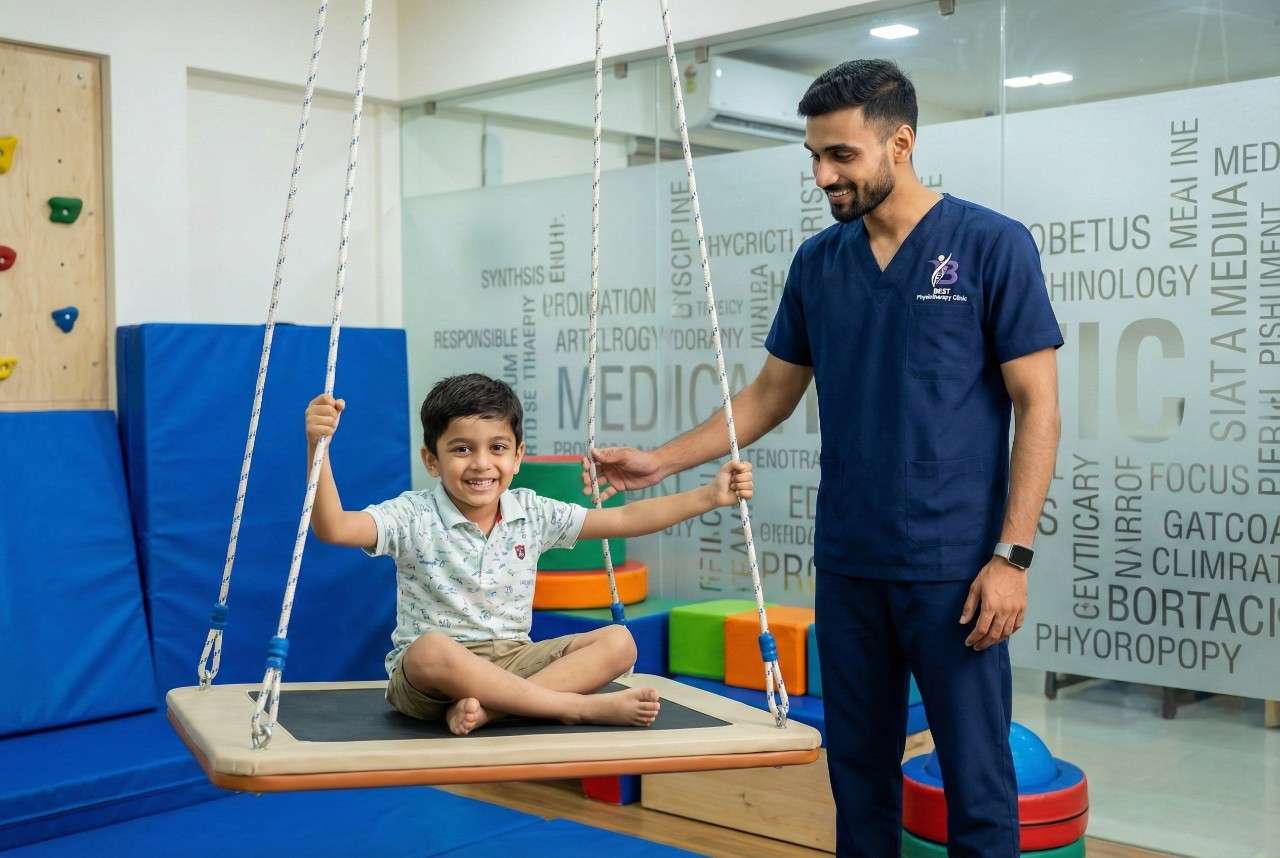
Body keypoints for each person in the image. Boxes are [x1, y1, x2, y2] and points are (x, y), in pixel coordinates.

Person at [584, 59, 1061, 857]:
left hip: (955, 567)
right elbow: (771, 394)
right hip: (849, 560)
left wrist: (1011, 556)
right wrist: (662, 463)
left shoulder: (990, 245)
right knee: (857, 779)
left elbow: (1037, 404)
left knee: (978, 786)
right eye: (813, 156)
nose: (822, 174)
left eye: (841, 155)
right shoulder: (819, 262)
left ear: (900, 142)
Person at [304, 372, 752, 737]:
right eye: (462, 449)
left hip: (516, 659)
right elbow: (335, 527)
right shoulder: (412, 514)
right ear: (432, 460)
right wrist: (317, 448)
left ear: (517, 457)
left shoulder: (532, 512)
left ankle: (492, 711)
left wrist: (708, 496)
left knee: (620, 641)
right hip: (433, 681)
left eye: (497, 448)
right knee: (429, 650)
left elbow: (624, 519)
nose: (481, 464)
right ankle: (573, 709)